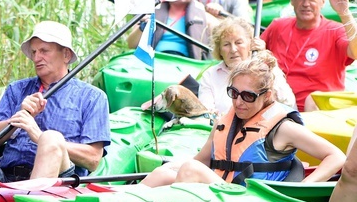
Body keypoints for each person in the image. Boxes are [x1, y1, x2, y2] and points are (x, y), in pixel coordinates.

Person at [141, 52, 344, 188]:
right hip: (224, 191)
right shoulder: (225, 122)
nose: (238, 102)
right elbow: (200, 161)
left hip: (252, 201)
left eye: (248, 96)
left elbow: (336, 157)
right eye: (234, 93)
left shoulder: (284, 128)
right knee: (165, 172)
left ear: (267, 95)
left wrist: (302, 189)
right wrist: (170, 166)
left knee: (189, 170)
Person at [0, 21, 110, 181]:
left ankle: (31, 200)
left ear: (66, 55)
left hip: (57, 183)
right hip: (6, 177)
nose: (36, 58)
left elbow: (93, 159)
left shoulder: (92, 97)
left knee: (51, 138)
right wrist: (16, 120)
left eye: (44, 51)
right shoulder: (17, 89)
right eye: (34, 52)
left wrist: (40, 137)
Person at [260, 0, 357, 111]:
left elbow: (356, 52)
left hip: (318, 113)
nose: (306, 4)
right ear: (292, 0)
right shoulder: (277, 26)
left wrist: (344, 13)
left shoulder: (335, 30)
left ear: (323, 1)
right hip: (277, 110)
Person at [199, 16, 295, 114]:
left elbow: (289, 102)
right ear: (219, 50)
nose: (233, 49)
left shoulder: (264, 68)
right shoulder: (210, 75)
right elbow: (206, 112)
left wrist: (269, 66)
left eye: (238, 42)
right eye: (226, 44)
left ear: (251, 44)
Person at [127, 0, 213, 60]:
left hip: (188, 64)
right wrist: (143, 27)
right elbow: (131, 44)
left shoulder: (205, 16)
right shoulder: (151, 11)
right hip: (154, 60)